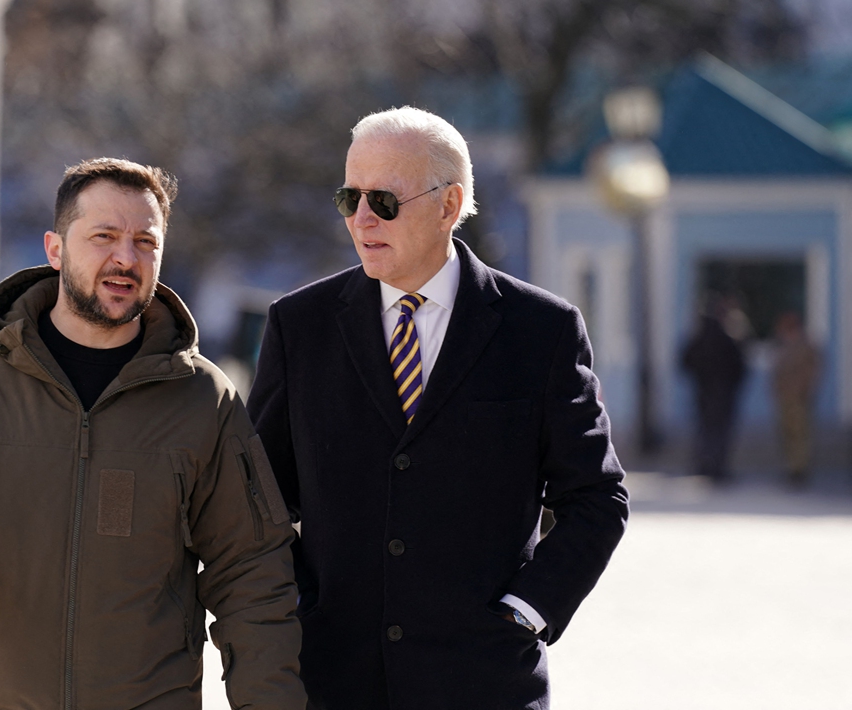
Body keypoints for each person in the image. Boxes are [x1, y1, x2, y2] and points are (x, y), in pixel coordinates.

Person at [0, 158, 305, 709]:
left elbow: (253, 569)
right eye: (104, 236)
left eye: (145, 242)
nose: (125, 258)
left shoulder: (203, 399)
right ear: (56, 248)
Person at [247, 107, 628, 709]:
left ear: (449, 205)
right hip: (335, 680)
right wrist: (301, 603)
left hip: (484, 683)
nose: (363, 218)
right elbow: (256, 499)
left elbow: (598, 499)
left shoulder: (542, 331)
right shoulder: (300, 327)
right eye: (350, 198)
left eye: (384, 200)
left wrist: (528, 611)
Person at [680, 298, 747, 483]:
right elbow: (739, 366)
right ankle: (717, 468)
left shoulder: (699, 339)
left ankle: (705, 466)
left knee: (704, 431)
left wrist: (700, 379)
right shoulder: (727, 339)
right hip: (723, 394)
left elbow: (685, 361)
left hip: (704, 393)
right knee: (720, 433)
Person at [772, 312, 821, 488]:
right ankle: (791, 468)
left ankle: (799, 470)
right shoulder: (783, 346)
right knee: (787, 435)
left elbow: (812, 371)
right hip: (785, 398)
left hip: (799, 398)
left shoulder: (805, 345)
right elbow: (777, 373)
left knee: (800, 435)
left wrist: (803, 389)